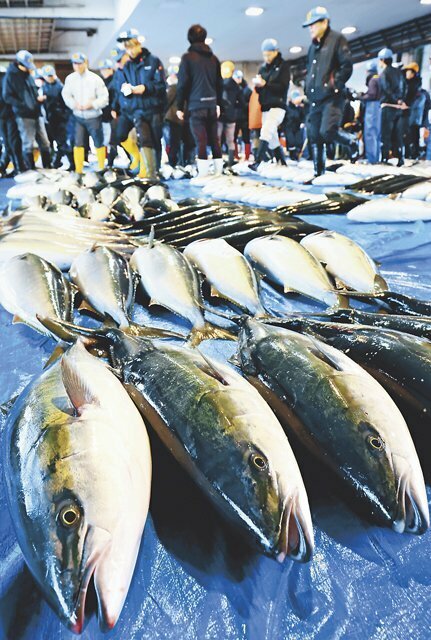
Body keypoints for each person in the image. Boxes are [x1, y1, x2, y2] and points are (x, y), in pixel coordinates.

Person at [302, 6, 357, 176]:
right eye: (309, 25)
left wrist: (335, 84)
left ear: (324, 22)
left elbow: (346, 65)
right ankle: (319, 173)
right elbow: (311, 70)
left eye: (313, 24)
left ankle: (351, 141)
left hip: (332, 97)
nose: (310, 28)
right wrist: (307, 88)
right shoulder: (313, 47)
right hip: (315, 98)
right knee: (314, 135)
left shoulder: (337, 39)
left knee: (327, 131)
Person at [114, 28, 166, 178]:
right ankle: (150, 175)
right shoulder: (128, 66)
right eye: (126, 47)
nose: (129, 50)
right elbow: (123, 87)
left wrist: (144, 88)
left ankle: (156, 171)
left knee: (156, 141)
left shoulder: (154, 61)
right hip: (138, 111)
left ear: (138, 43)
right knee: (145, 141)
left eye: (131, 45)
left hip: (154, 110)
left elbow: (161, 86)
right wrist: (127, 91)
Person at [176, 23, 223, 177]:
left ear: (189, 39)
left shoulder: (188, 58)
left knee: (201, 140)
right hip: (211, 104)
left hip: (196, 105)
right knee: (215, 139)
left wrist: (179, 107)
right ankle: (218, 173)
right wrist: (219, 104)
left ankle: (203, 175)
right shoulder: (214, 59)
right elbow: (219, 83)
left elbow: (182, 84)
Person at [3, 49, 51, 170]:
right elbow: (7, 96)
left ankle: (48, 167)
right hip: (24, 115)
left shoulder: (29, 74)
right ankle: (31, 170)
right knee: (28, 144)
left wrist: (38, 100)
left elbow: (32, 92)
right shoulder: (11, 76)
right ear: (19, 63)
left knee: (45, 142)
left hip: (37, 112)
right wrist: (23, 105)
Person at [62, 52, 109, 174]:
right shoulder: (70, 79)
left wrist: (92, 104)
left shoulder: (95, 79)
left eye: (79, 63)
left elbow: (104, 98)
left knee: (98, 142)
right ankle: (79, 170)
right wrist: (74, 104)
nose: (77, 66)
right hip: (78, 116)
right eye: (74, 63)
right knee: (78, 143)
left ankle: (101, 168)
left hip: (94, 116)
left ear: (85, 63)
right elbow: (66, 95)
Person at [251, 38, 290, 168]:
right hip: (265, 107)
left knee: (266, 130)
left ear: (275, 52)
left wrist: (266, 84)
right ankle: (282, 162)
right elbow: (258, 89)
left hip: (278, 106)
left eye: (268, 54)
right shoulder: (262, 69)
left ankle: (257, 161)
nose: (266, 58)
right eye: (264, 55)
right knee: (272, 138)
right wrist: (258, 85)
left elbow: (283, 87)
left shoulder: (283, 66)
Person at [378, 48, 407, 166]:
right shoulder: (399, 72)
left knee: (386, 134)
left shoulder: (384, 73)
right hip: (399, 108)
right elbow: (405, 87)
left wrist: (395, 99)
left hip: (388, 106)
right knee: (397, 134)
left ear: (383, 60)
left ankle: (384, 158)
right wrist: (400, 100)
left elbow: (386, 88)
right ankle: (401, 158)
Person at [41, 65, 71, 168]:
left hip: (59, 120)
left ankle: (71, 164)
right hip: (48, 120)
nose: (50, 78)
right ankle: (54, 163)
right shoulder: (44, 86)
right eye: (47, 76)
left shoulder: (60, 87)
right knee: (49, 144)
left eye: (51, 76)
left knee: (62, 143)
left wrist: (63, 117)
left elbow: (65, 105)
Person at [0, 66, 25, 175]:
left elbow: (8, 97)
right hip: (3, 116)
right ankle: (16, 167)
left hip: (10, 115)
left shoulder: (6, 78)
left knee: (13, 143)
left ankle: (19, 168)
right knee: (9, 143)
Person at [218, 61, 243, 166]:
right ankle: (230, 162)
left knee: (217, 139)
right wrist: (234, 110)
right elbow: (242, 103)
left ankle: (217, 163)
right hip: (231, 116)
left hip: (219, 115)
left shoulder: (218, 84)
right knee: (230, 140)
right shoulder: (236, 87)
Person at [403, 62, 429, 160]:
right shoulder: (415, 86)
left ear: (414, 73)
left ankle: (412, 154)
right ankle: (412, 154)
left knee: (412, 135)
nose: (407, 74)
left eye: (409, 71)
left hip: (413, 117)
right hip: (414, 118)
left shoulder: (414, 87)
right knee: (412, 136)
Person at [359, 60, 381, 164]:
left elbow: (371, 94)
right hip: (378, 107)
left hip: (372, 107)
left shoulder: (372, 80)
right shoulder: (379, 78)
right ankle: (375, 158)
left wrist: (361, 96)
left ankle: (371, 159)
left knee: (370, 133)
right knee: (376, 134)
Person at [98, 58, 117, 166]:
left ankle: (110, 163)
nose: (104, 72)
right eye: (102, 70)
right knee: (106, 140)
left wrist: (114, 109)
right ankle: (107, 163)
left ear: (111, 69)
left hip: (113, 115)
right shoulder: (101, 82)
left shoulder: (115, 81)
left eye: (106, 69)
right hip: (103, 116)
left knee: (113, 140)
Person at [164, 65, 184, 167]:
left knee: (173, 142)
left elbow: (167, 101)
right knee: (179, 141)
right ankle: (182, 162)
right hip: (181, 117)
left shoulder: (173, 86)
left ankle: (172, 162)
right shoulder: (184, 85)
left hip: (173, 118)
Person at [233, 69, 252, 160]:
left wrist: (243, 104)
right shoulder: (231, 89)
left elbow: (251, 104)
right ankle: (235, 155)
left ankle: (247, 156)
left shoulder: (247, 90)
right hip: (234, 117)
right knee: (234, 137)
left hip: (245, 117)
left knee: (246, 137)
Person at [284, 89, 306, 160]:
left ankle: (297, 155)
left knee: (298, 141)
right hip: (289, 127)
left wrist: (303, 122)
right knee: (291, 141)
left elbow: (303, 116)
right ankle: (292, 155)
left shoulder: (300, 108)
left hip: (297, 127)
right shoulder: (287, 108)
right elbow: (285, 117)